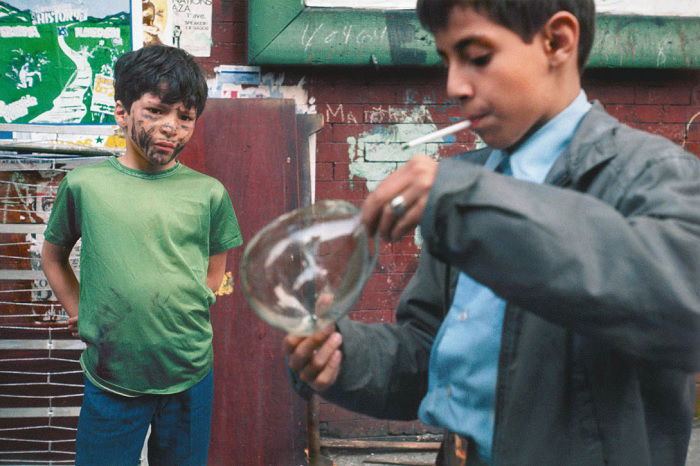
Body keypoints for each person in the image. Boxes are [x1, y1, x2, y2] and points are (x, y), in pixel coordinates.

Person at [284, 0, 700, 464]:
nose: (454, 86)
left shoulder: (654, 173)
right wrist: (347, 357)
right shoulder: (466, 186)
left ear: (557, 41)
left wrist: (469, 201)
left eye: (478, 57)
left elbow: (682, 306)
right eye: (447, 60)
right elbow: (432, 355)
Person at [41, 45, 242, 465]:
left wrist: (198, 299)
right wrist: (79, 308)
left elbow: (216, 262)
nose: (171, 127)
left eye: (185, 117)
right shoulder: (85, 185)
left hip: (189, 370)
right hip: (112, 372)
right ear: (122, 112)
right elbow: (54, 255)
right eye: (156, 111)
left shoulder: (208, 193)